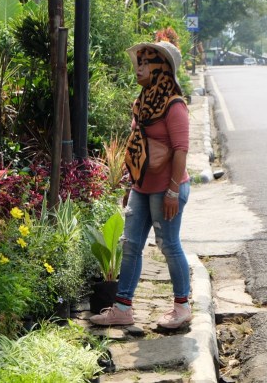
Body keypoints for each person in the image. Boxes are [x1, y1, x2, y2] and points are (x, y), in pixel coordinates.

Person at [90, 41, 192, 329]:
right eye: (140, 61)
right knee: (131, 244)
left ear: (162, 69)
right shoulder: (143, 102)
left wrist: (173, 191)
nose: (140, 67)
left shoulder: (174, 106)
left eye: (147, 63)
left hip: (167, 189)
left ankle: (182, 307)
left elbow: (181, 150)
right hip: (142, 187)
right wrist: (129, 182)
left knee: (169, 245)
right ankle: (123, 308)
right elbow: (136, 145)